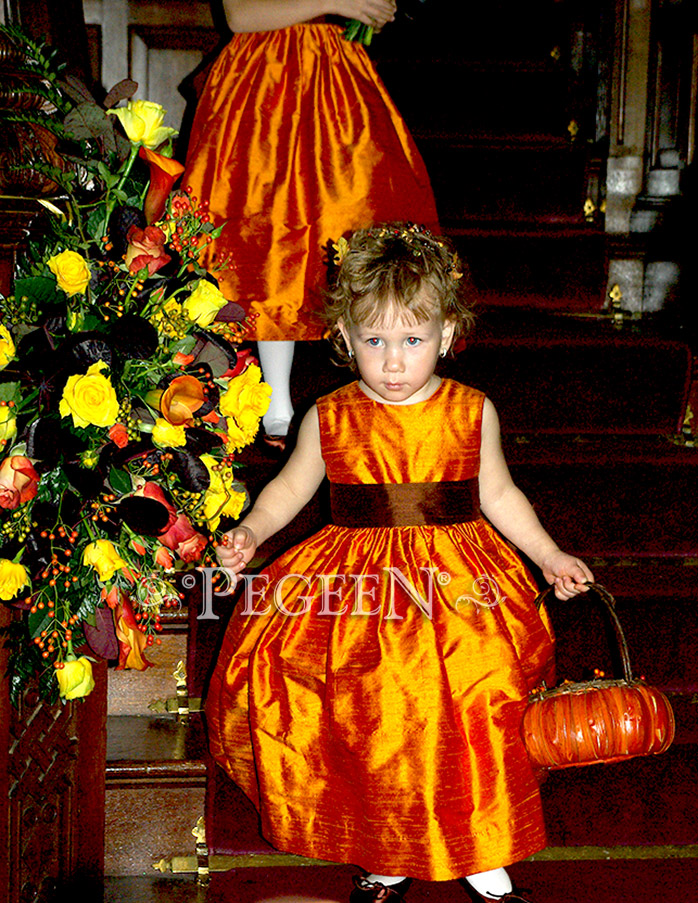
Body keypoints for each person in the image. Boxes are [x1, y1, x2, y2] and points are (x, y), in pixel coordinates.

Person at [207, 224, 594, 903]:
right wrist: (251, 530)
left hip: (461, 589)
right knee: (376, 720)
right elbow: (292, 488)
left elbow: (500, 493)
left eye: (411, 341)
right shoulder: (329, 415)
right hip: (357, 596)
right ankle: (386, 855)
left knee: (473, 707)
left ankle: (483, 860)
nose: (391, 362)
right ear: (344, 338)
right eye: (374, 341)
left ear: (446, 333)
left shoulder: (473, 411)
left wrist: (548, 552)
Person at [183, 0, 439, 448]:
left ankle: (381, 383)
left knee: (355, 217)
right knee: (265, 242)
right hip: (262, 82)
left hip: (334, 80)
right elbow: (240, 15)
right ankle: (275, 398)